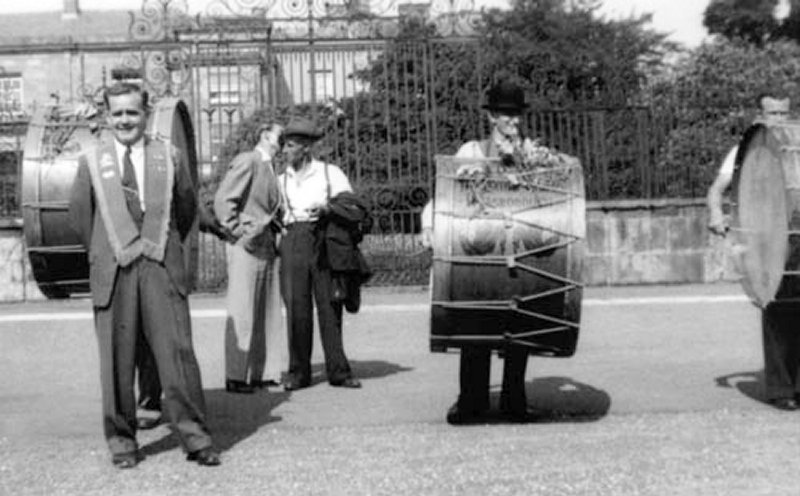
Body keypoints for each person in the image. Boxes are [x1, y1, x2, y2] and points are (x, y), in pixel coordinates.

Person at [68, 82, 220, 468]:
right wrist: (106, 250)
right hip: (114, 270)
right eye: (117, 113)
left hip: (159, 266)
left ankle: (196, 438)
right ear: (107, 116)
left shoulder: (168, 156)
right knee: (116, 361)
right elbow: (80, 218)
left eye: (132, 112)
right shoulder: (92, 159)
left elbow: (186, 210)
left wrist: (166, 248)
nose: (124, 120)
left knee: (177, 356)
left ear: (146, 113)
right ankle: (122, 444)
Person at [422, 80, 542, 424]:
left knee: (519, 319)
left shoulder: (532, 152)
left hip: (519, 246)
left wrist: (525, 162)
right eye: (507, 114)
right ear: (491, 117)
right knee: (477, 321)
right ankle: (471, 400)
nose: (514, 121)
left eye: (517, 114)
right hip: (479, 246)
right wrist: (429, 222)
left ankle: (514, 400)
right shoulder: (471, 150)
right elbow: (448, 190)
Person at [706, 93, 800, 411]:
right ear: (761, 113)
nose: (778, 117)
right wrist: (717, 215)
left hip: (797, 234)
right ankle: (781, 388)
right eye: (772, 112)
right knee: (776, 310)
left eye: (783, 111)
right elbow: (718, 189)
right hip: (768, 238)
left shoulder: (796, 145)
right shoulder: (747, 149)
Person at [277, 116, 362, 391]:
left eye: (290, 146)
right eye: (285, 146)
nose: (285, 151)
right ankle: (298, 373)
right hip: (293, 240)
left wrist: (327, 207)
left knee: (329, 306)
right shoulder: (280, 179)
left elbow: (351, 205)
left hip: (324, 238)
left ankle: (339, 371)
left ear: (304, 147)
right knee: (296, 308)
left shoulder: (330, 173)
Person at [214, 121, 287, 394]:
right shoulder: (249, 160)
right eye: (280, 135)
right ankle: (236, 375)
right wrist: (239, 232)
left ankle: (263, 372)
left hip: (267, 245)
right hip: (248, 245)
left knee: (266, 310)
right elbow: (224, 201)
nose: (283, 141)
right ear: (265, 136)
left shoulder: (269, 166)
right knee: (243, 309)